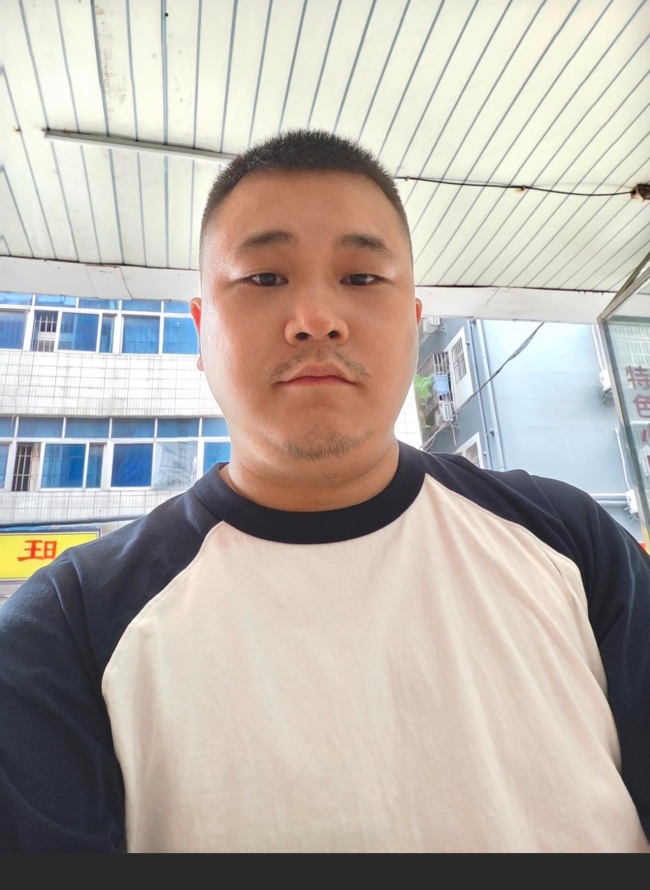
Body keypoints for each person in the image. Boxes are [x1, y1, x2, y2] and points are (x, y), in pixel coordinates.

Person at [0, 129, 649, 854]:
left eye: (362, 278)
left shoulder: (572, 540)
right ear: (201, 329)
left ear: (413, 323)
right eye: (264, 278)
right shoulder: (69, 628)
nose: (316, 319)